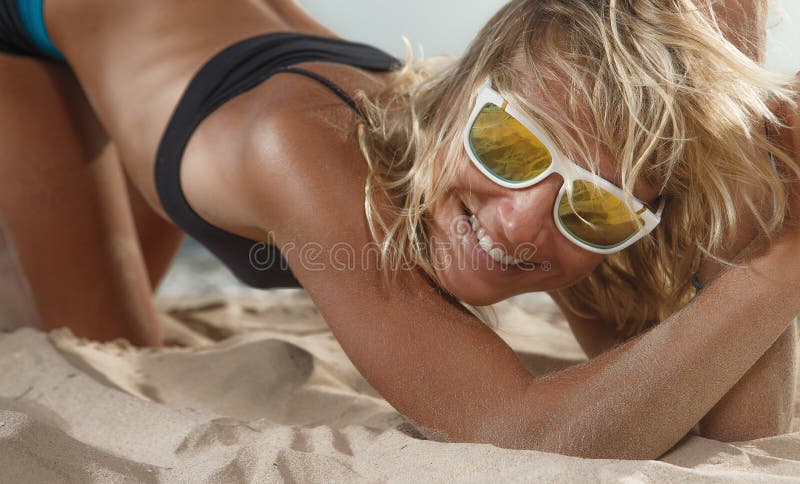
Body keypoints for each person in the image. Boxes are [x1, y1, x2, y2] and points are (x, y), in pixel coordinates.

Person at [0, 0, 798, 459]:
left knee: (117, 337)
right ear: (458, 98)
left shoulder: (581, 176)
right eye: (509, 145)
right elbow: (518, 430)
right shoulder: (300, 149)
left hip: (172, 47)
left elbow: (735, 430)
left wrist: (759, 206)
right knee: (83, 341)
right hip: (33, 24)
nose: (523, 222)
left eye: (596, 207)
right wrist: (788, 263)